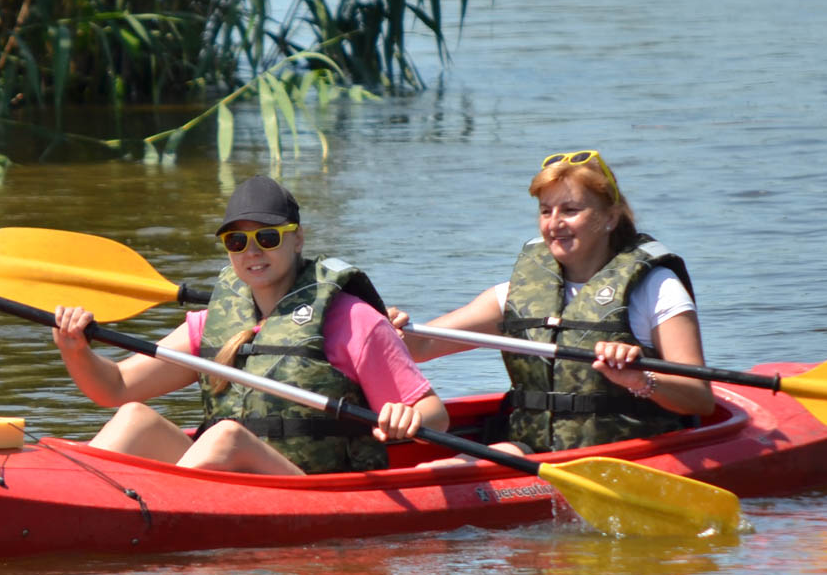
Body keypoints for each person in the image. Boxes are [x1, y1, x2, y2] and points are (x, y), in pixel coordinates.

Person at [50, 175, 449, 475]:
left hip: (310, 488)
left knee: (227, 437)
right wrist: (76, 350)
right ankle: (70, 496)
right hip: (227, 484)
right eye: (237, 242)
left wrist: (407, 417)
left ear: (297, 239)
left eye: (268, 237)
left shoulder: (352, 319)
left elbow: (434, 414)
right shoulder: (212, 323)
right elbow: (115, 387)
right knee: (134, 417)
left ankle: (149, 513)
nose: (252, 251)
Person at [392, 149, 713, 452]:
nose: (554, 223)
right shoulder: (510, 296)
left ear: (610, 217)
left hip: (629, 453)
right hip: (529, 452)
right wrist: (385, 327)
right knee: (453, 465)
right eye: (546, 211)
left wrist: (641, 379)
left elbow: (699, 398)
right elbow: (420, 347)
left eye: (570, 210)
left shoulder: (656, 289)